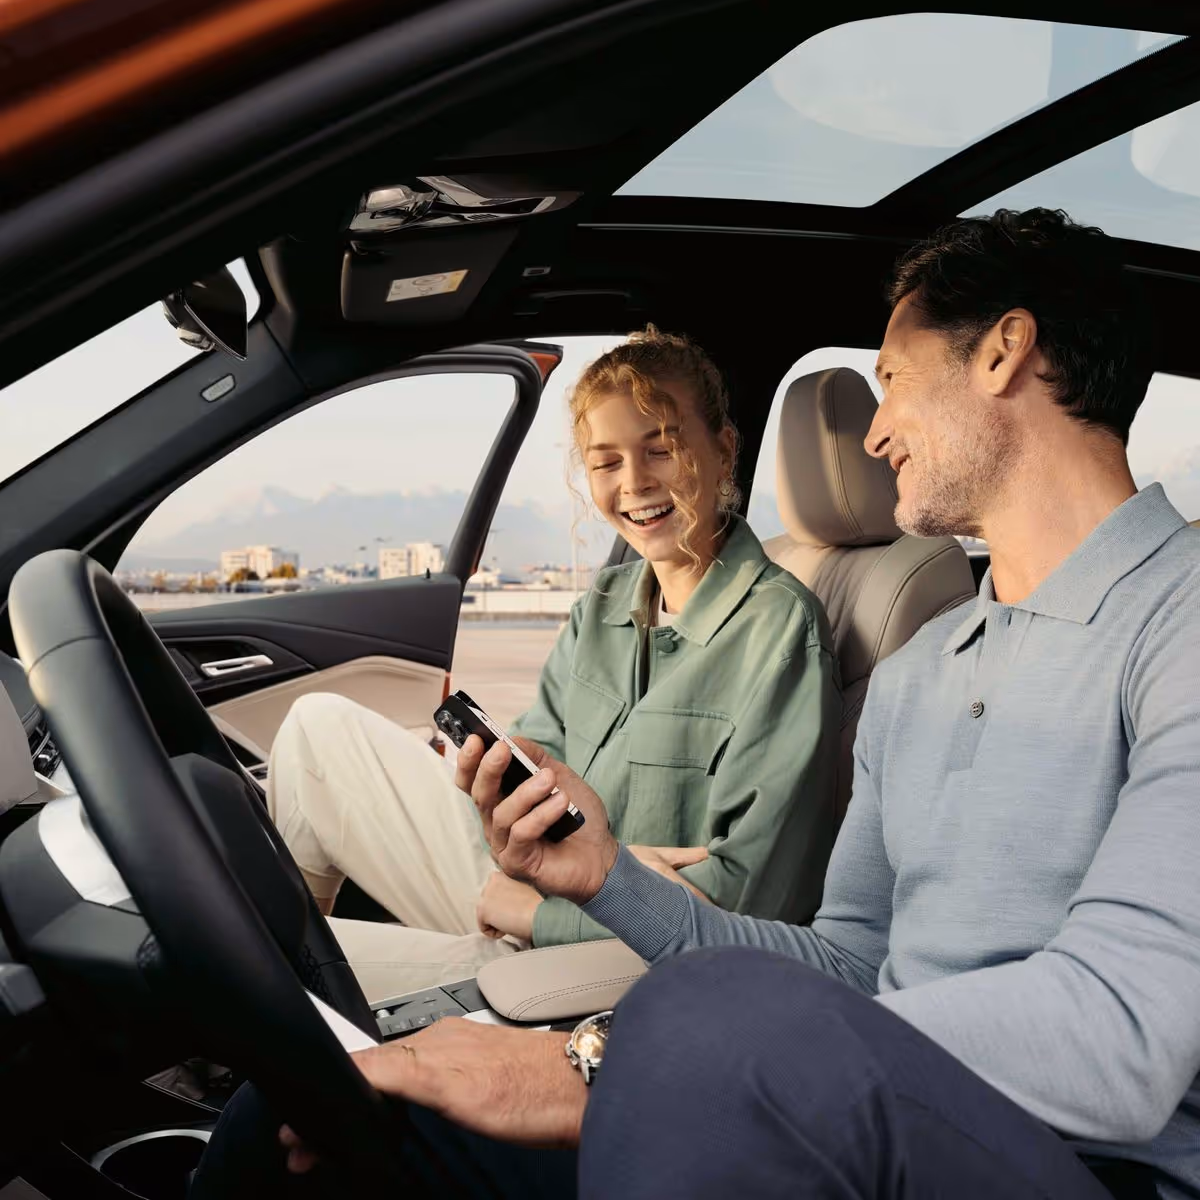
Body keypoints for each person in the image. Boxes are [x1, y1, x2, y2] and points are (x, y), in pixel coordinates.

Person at [195, 207, 1200, 1200]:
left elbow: (1121, 1038)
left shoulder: (1180, 623)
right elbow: (848, 964)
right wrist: (606, 878)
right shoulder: (922, 671)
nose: (879, 428)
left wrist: (599, 1060)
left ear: (1005, 352)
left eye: (890, 380)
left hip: (1068, 1167)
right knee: (313, 1117)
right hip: (839, 1108)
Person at [266, 326, 841, 1000]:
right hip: (535, 876)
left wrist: (549, 908)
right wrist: (515, 829)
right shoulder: (602, 606)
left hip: (626, 957)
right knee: (315, 728)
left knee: (259, 947)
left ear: (723, 448)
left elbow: (750, 902)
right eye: (606, 462)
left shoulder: (780, 632)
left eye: (661, 448)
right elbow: (538, 771)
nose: (635, 483)